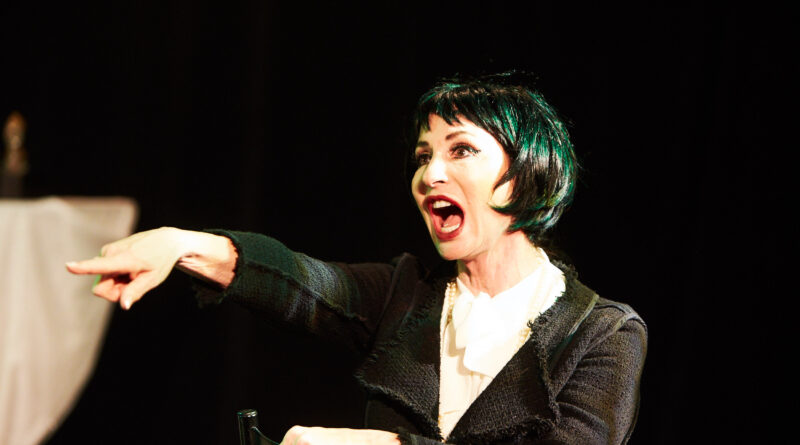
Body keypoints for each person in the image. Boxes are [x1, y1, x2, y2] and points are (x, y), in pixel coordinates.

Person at [67, 73, 647, 444]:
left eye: (461, 150)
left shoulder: (602, 333)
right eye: (423, 155)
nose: (430, 174)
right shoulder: (407, 294)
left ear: (524, 175)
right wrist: (182, 243)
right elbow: (299, 282)